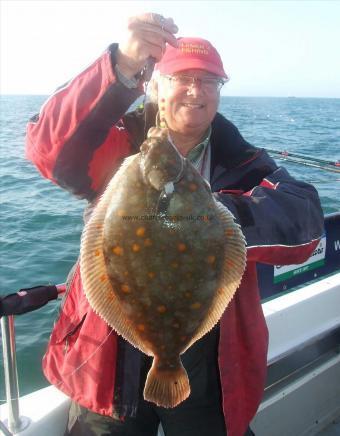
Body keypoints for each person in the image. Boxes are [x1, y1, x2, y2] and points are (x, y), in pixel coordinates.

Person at [25, 13, 324, 436]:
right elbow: (48, 148)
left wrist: (211, 219)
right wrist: (120, 65)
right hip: (107, 354)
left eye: (209, 81)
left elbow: (306, 220)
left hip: (212, 356)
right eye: (181, 77)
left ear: (220, 92)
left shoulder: (244, 162)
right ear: (154, 85)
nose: (195, 90)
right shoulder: (113, 147)